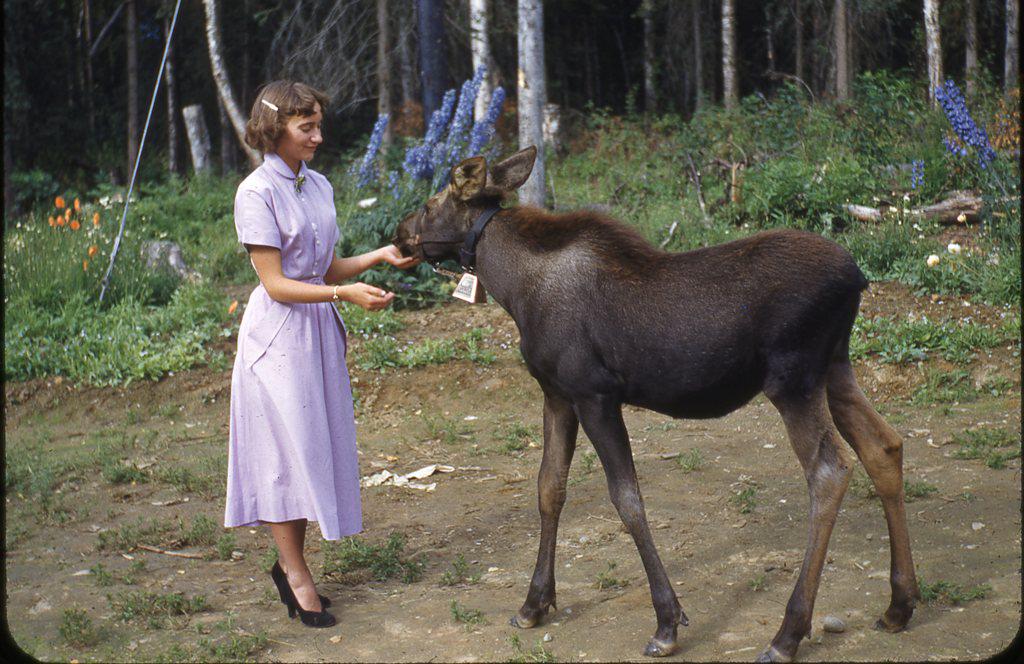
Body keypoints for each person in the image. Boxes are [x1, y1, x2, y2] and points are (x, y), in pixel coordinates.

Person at [223, 80, 418, 628]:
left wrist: (378, 256)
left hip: (317, 336)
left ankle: (293, 566)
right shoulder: (256, 192)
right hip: (277, 339)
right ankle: (295, 572)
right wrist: (343, 295)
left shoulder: (318, 185)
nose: (317, 137)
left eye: (317, 125)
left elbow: (323, 267)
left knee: (310, 452)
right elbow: (276, 283)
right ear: (274, 129)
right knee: (284, 458)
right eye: (305, 127)